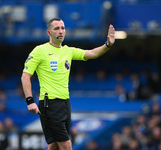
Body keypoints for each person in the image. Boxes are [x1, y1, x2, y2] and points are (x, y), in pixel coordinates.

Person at [21, 17, 115, 150]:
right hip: (50, 103)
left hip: (65, 103)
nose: (60, 31)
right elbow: (25, 76)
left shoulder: (68, 51)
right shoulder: (39, 51)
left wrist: (108, 45)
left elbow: (92, 53)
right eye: (56, 28)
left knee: (54, 145)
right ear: (49, 33)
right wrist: (30, 101)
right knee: (66, 144)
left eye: (63, 28)